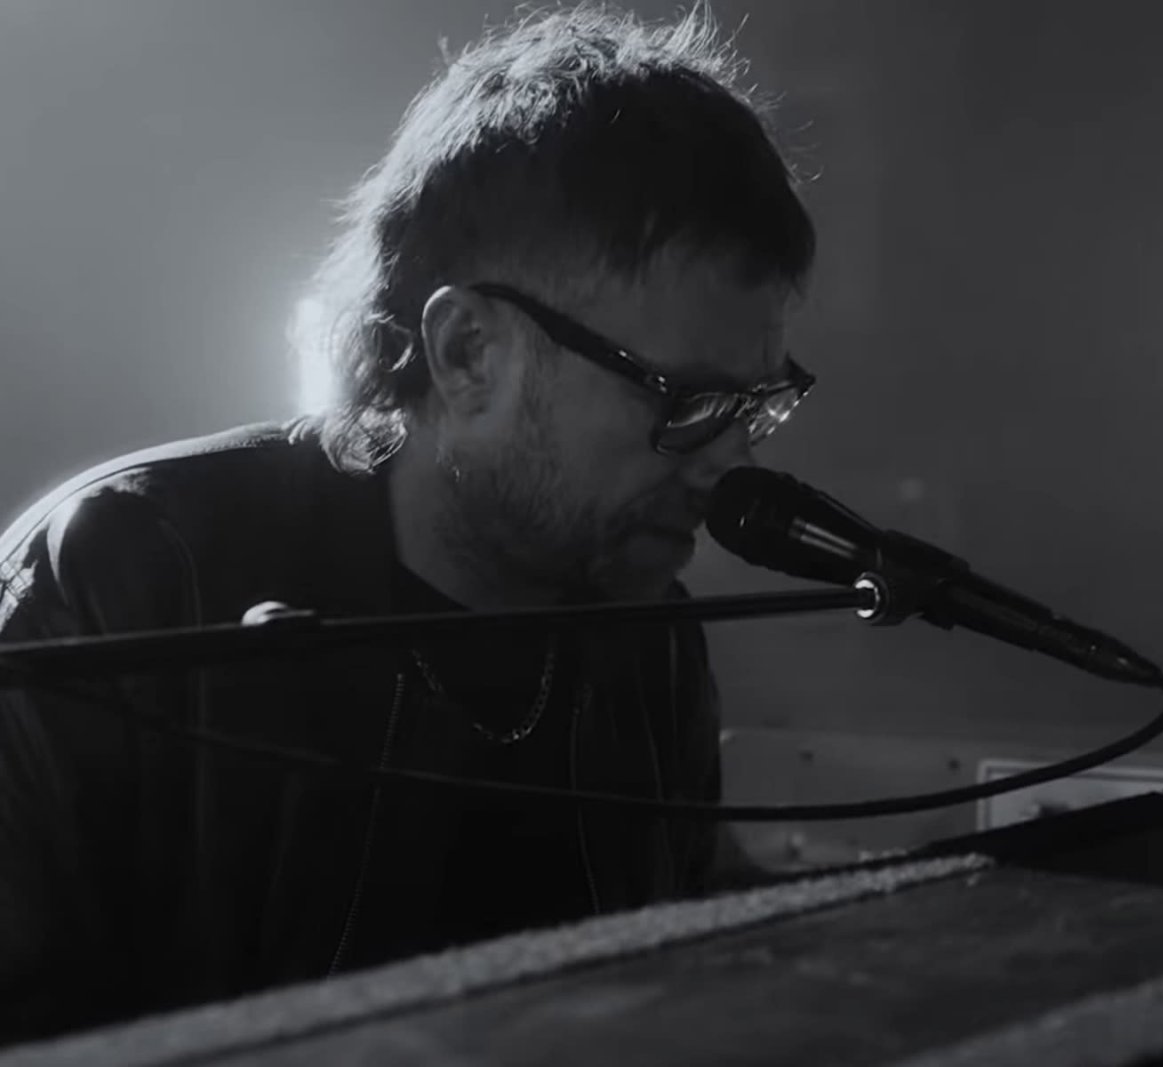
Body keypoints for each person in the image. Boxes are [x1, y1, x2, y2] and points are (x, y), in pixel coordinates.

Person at [0, 5, 815, 1043]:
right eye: (685, 399)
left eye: (754, 404)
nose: (731, 459)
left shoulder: (650, 647)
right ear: (468, 351)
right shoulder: (120, 576)